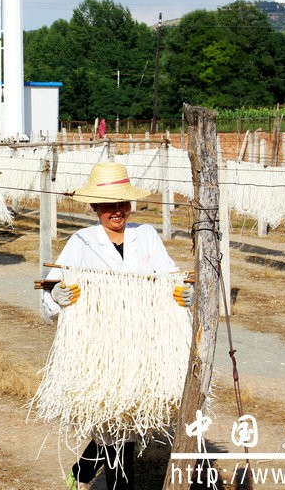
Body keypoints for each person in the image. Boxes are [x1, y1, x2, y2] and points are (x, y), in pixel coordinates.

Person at [41, 162, 194, 490]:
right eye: (108, 205)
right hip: (101, 351)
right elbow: (50, 291)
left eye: (122, 204)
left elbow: (169, 278)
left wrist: (181, 292)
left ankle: (82, 472)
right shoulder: (81, 242)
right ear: (95, 207)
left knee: (120, 422)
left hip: (141, 345)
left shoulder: (146, 236)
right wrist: (60, 296)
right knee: (115, 428)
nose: (117, 212)